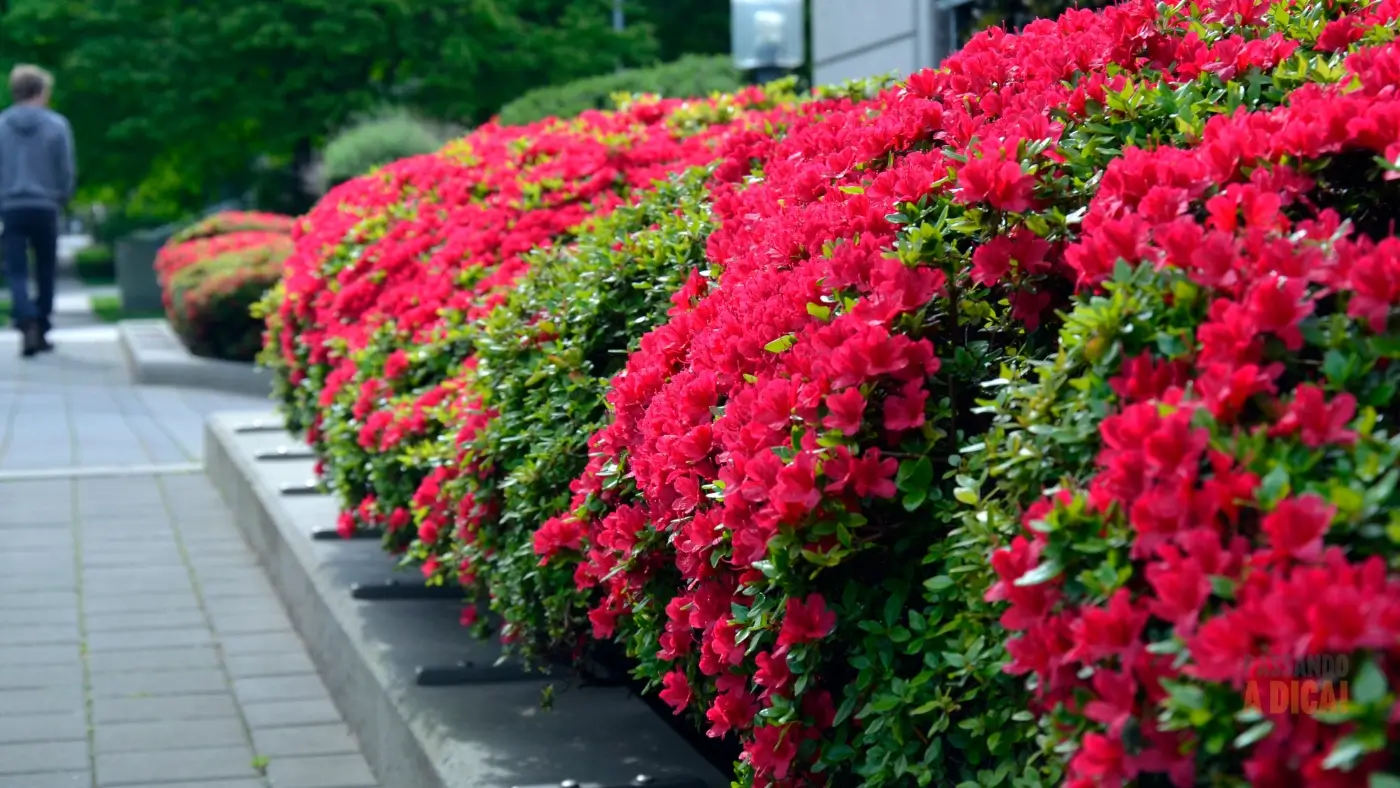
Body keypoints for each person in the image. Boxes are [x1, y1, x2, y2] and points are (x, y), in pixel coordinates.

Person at [0, 64, 76, 357]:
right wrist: (63, 196)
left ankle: (26, 318)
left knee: (16, 269)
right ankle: (41, 324)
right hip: (46, 205)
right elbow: (65, 168)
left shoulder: (2, 125)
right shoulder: (57, 125)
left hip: (10, 206)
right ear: (41, 91)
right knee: (46, 268)